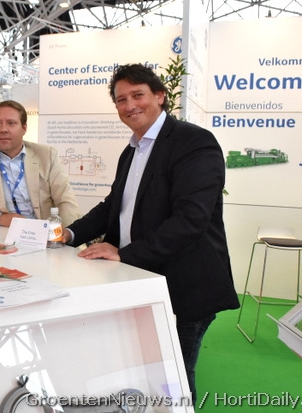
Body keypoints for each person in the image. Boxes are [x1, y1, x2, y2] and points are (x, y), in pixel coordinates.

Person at [62, 63, 239, 403]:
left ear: (159, 96)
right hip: (140, 279)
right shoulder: (132, 150)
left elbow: (191, 220)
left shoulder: (194, 142)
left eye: (137, 95)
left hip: (186, 286)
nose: (129, 105)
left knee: (174, 378)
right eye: (121, 99)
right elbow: (114, 206)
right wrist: (68, 234)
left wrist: (124, 254)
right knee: (145, 369)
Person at [0, 100, 80, 227]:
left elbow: (66, 201)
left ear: (24, 128)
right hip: (4, 230)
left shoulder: (47, 156)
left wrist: (63, 233)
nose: (3, 129)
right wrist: (2, 218)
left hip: (45, 229)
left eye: (11, 123)